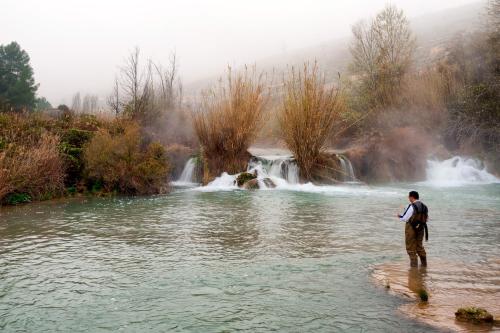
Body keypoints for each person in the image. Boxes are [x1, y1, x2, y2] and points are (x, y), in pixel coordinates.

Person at [397, 191, 429, 267]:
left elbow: (405, 218)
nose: (408, 198)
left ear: (412, 197)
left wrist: (400, 216)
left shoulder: (411, 206)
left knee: (410, 248)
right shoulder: (424, 206)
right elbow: (426, 218)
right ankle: (424, 266)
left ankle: (414, 270)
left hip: (411, 229)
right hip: (421, 228)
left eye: (409, 197)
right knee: (419, 247)